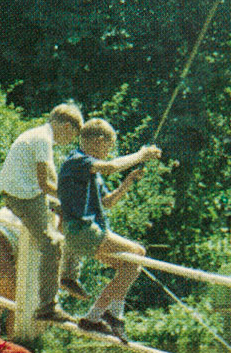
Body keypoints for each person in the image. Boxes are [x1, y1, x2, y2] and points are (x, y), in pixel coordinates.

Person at [57, 117, 160, 340]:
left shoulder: (90, 169)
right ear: (98, 141)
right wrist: (140, 155)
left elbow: (108, 201)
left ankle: (97, 317)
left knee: (130, 267)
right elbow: (112, 167)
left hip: (84, 234)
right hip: (83, 231)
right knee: (138, 254)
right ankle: (109, 315)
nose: (109, 151)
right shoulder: (78, 160)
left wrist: (129, 181)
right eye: (109, 146)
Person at [0, 104, 83, 322]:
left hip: (27, 192)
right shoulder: (42, 139)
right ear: (65, 126)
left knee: (75, 216)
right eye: (73, 134)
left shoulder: (39, 135)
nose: (71, 140)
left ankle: (68, 275)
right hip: (24, 197)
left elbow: (49, 180)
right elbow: (45, 184)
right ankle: (48, 306)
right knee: (51, 243)